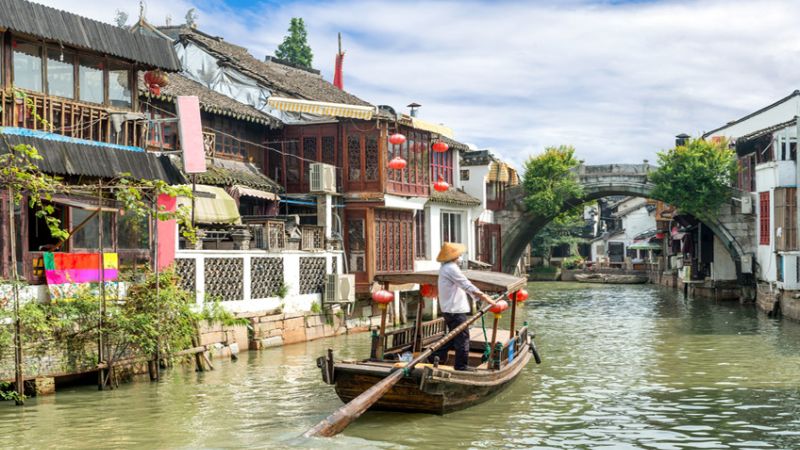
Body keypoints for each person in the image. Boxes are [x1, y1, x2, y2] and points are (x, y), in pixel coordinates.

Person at [431, 242, 495, 371]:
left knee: (454, 335)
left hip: (450, 309)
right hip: (454, 310)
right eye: (459, 255)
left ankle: (434, 356)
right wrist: (484, 296)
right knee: (463, 338)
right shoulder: (450, 268)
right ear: (454, 257)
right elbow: (466, 284)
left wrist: (479, 296)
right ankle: (461, 366)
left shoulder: (446, 268)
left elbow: (464, 285)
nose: (460, 257)